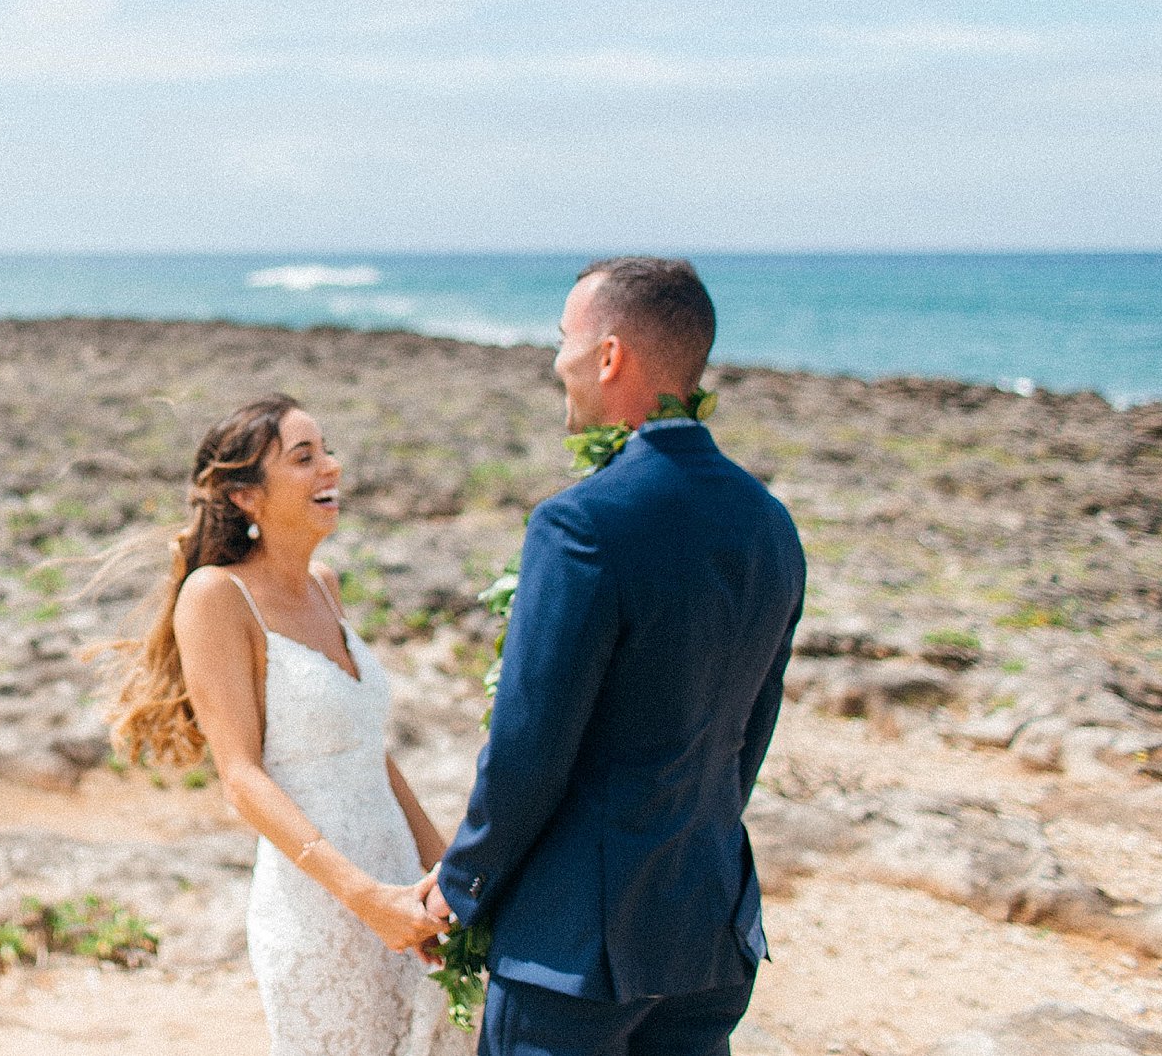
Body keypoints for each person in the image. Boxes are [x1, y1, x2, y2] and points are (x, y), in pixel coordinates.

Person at [416, 258, 806, 1056]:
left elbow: (531, 749)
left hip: (575, 950)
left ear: (609, 356)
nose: (556, 360)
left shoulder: (581, 525)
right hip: (708, 921)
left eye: (565, 339)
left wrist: (461, 885)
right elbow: (748, 735)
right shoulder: (770, 525)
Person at [110, 394, 468, 1056]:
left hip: (398, 884)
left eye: (326, 451)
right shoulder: (217, 596)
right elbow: (241, 778)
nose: (330, 467)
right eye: (304, 458)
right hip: (321, 905)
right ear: (247, 496)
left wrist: (449, 866)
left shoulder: (326, 584)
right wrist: (363, 898)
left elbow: (371, 753)